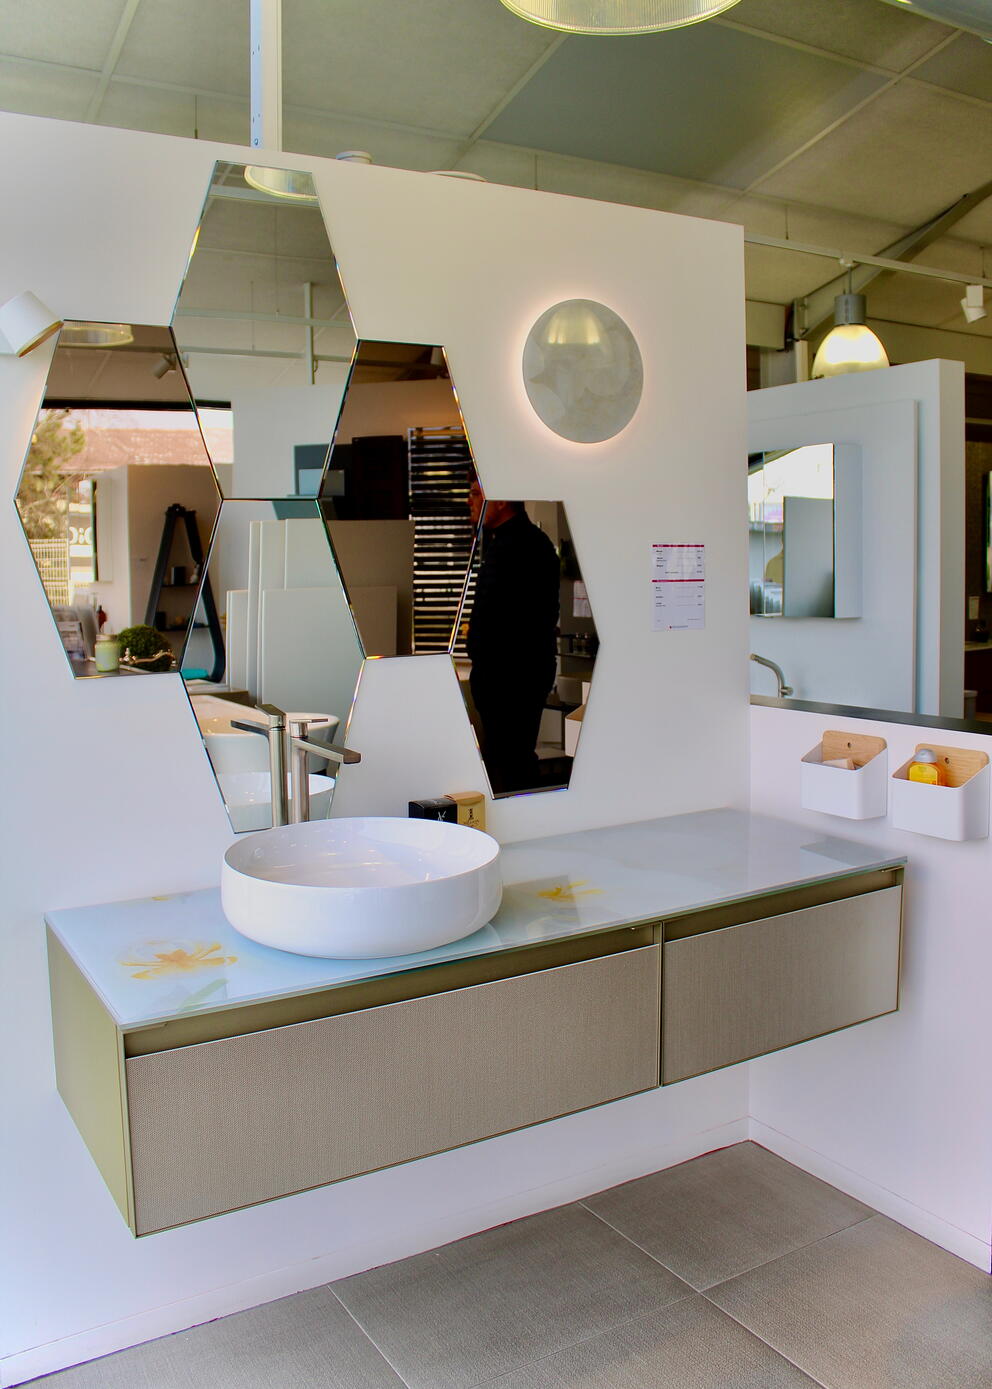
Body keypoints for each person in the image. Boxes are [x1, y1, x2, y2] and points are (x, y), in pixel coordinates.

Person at [466, 483, 560, 793]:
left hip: (512, 678)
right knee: (505, 758)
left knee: (510, 761)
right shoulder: (511, 543)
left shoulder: (521, 546)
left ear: (501, 499)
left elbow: (512, 620)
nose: (470, 501)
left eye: (476, 493)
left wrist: (482, 653)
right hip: (508, 675)